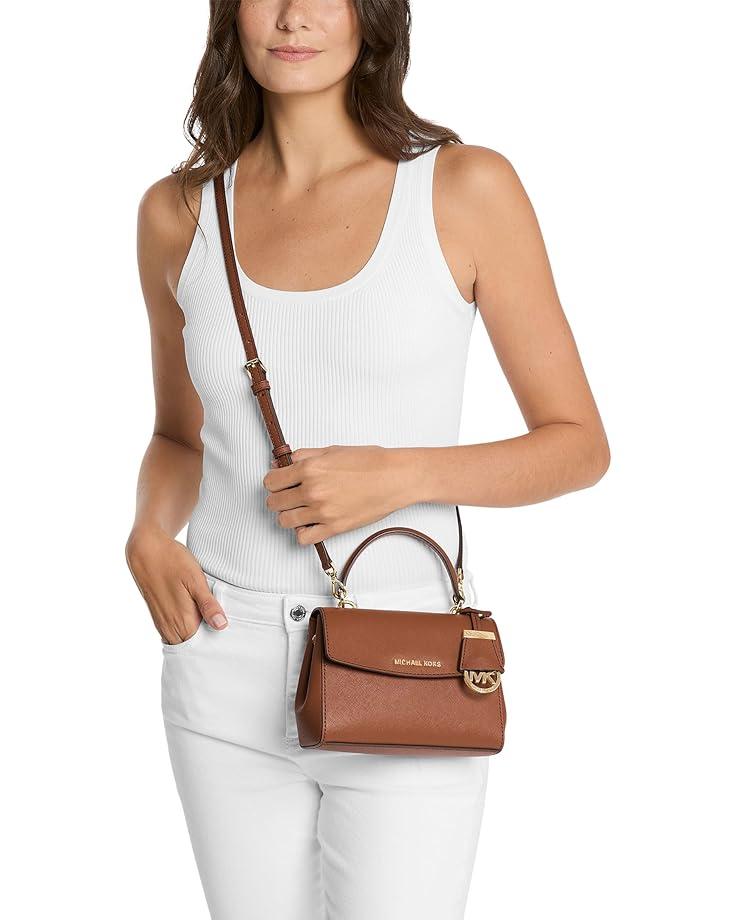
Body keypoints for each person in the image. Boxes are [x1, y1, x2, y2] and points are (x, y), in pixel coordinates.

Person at [125, 2, 610, 917]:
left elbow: (579, 445)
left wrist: (402, 475)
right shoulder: (178, 212)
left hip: (405, 658)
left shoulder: (464, 188)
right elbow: (178, 437)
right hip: (222, 652)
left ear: (370, 14)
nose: (293, 16)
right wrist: (148, 532)